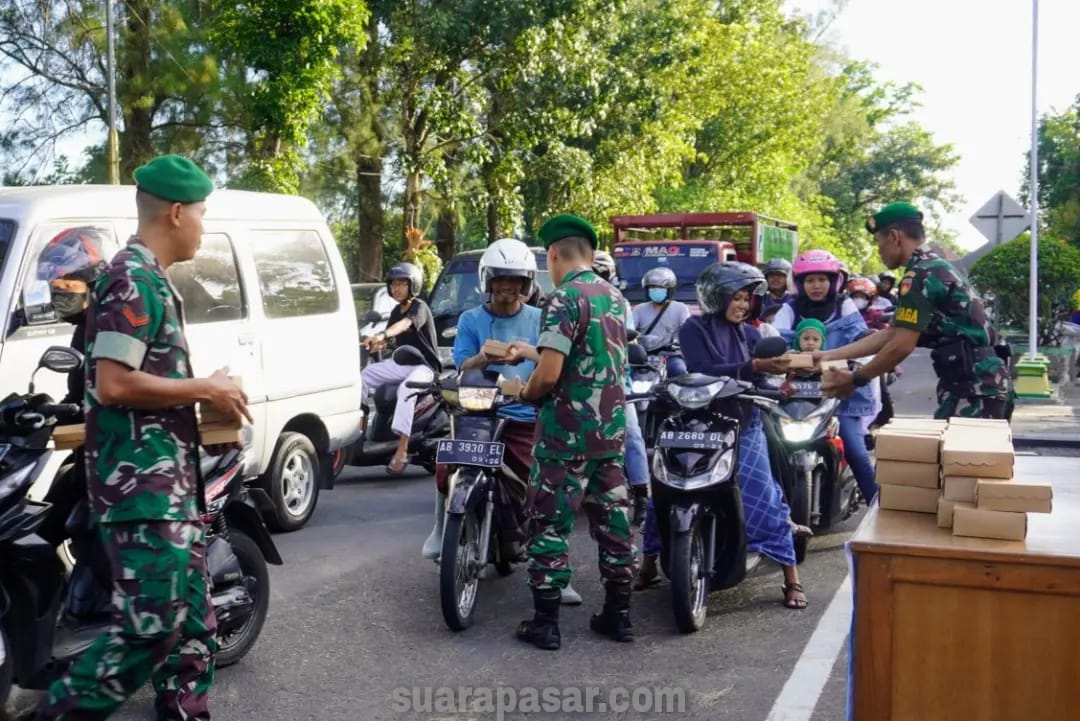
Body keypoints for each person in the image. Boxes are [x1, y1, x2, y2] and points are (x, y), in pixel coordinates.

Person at [31, 154, 251, 721]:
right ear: (177, 213)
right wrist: (205, 388)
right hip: (141, 494)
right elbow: (113, 384)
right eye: (201, 213)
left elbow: (147, 388)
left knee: (190, 622)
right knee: (147, 632)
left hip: (169, 490)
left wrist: (208, 410)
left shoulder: (149, 280)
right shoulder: (131, 279)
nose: (204, 225)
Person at [636, 262, 808, 610]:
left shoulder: (751, 335)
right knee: (663, 492)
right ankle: (649, 564)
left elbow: (759, 381)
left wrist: (778, 387)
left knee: (762, 496)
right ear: (718, 297)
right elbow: (702, 369)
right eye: (737, 297)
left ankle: (791, 578)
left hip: (743, 425)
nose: (743, 305)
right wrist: (756, 368)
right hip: (694, 425)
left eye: (747, 299)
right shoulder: (692, 328)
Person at [509, 214, 635, 650]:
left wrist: (523, 391)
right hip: (610, 434)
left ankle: (546, 624)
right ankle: (619, 616)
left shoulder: (562, 299)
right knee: (614, 522)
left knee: (548, 523)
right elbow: (596, 354)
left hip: (565, 437)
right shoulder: (615, 298)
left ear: (554, 254)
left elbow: (548, 375)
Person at [819, 202, 1013, 421]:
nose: (879, 250)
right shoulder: (932, 266)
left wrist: (855, 379)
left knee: (964, 455)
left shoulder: (920, 275)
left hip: (974, 387)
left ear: (894, 237)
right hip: (977, 381)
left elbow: (901, 345)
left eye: (878, 241)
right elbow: (892, 333)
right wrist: (829, 355)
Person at [772, 250, 879, 503]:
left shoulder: (845, 306)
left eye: (822, 279)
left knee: (855, 449)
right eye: (810, 280)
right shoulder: (788, 308)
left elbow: (862, 344)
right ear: (800, 283)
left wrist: (837, 363)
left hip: (842, 393)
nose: (816, 286)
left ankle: (878, 506)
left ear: (834, 281)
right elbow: (774, 342)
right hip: (794, 392)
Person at [32, 227, 110, 549]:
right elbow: (77, 397)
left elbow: (112, 393)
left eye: (67, 285)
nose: (59, 294)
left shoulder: (110, 325)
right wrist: (40, 412)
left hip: (119, 466)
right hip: (88, 461)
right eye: (54, 287)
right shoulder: (83, 330)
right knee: (41, 526)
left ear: (91, 282)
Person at [361, 262, 440, 474]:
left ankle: (402, 450)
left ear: (412, 286)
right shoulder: (396, 310)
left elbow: (404, 325)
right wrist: (371, 342)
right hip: (404, 364)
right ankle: (357, 429)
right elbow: (388, 340)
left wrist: (384, 335)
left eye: (402, 284)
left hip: (425, 368)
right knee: (365, 375)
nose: (396, 289)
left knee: (406, 389)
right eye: (394, 284)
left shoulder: (419, 307)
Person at [593, 250, 650, 527]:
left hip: (616, 384)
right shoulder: (568, 299)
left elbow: (624, 339)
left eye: (602, 274)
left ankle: (641, 495)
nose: (597, 279)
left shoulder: (620, 303)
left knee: (633, 436)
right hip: (578, 386)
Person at [632, 266, 690, 376]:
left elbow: (688, 331)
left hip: (671, 355)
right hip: (643, 356)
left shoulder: (681, 308)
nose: (655, 289)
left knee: (679, 372)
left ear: (669, 289)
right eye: (652, 287)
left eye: (659, 287)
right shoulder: (639, 309)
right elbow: (629, 329)